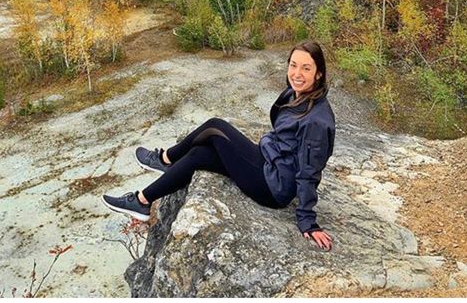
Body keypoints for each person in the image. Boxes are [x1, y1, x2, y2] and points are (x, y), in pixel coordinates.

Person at [102, 41, 336, 251]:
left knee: (215, 128)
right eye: (293, 65)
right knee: (200, 154)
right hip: (271, 163)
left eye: (306, 68)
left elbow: (309, 172)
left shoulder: (316, 121)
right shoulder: (296, 95)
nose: (297, 73)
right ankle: (142, 201)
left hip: (273, 187)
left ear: (318, 73)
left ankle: (164, 159)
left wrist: (307, 220)